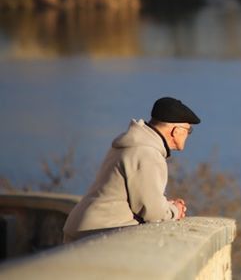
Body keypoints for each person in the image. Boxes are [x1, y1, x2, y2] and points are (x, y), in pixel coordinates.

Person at [63, 97, 201, 242]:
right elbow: (153, 213)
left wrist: (166, 205)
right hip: (96, 234)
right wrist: (175, 211)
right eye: (188, 130)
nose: (188, 134)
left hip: (85, 227)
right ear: (176, 131)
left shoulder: (134, 144)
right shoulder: (146, 153)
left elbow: (135, 198)